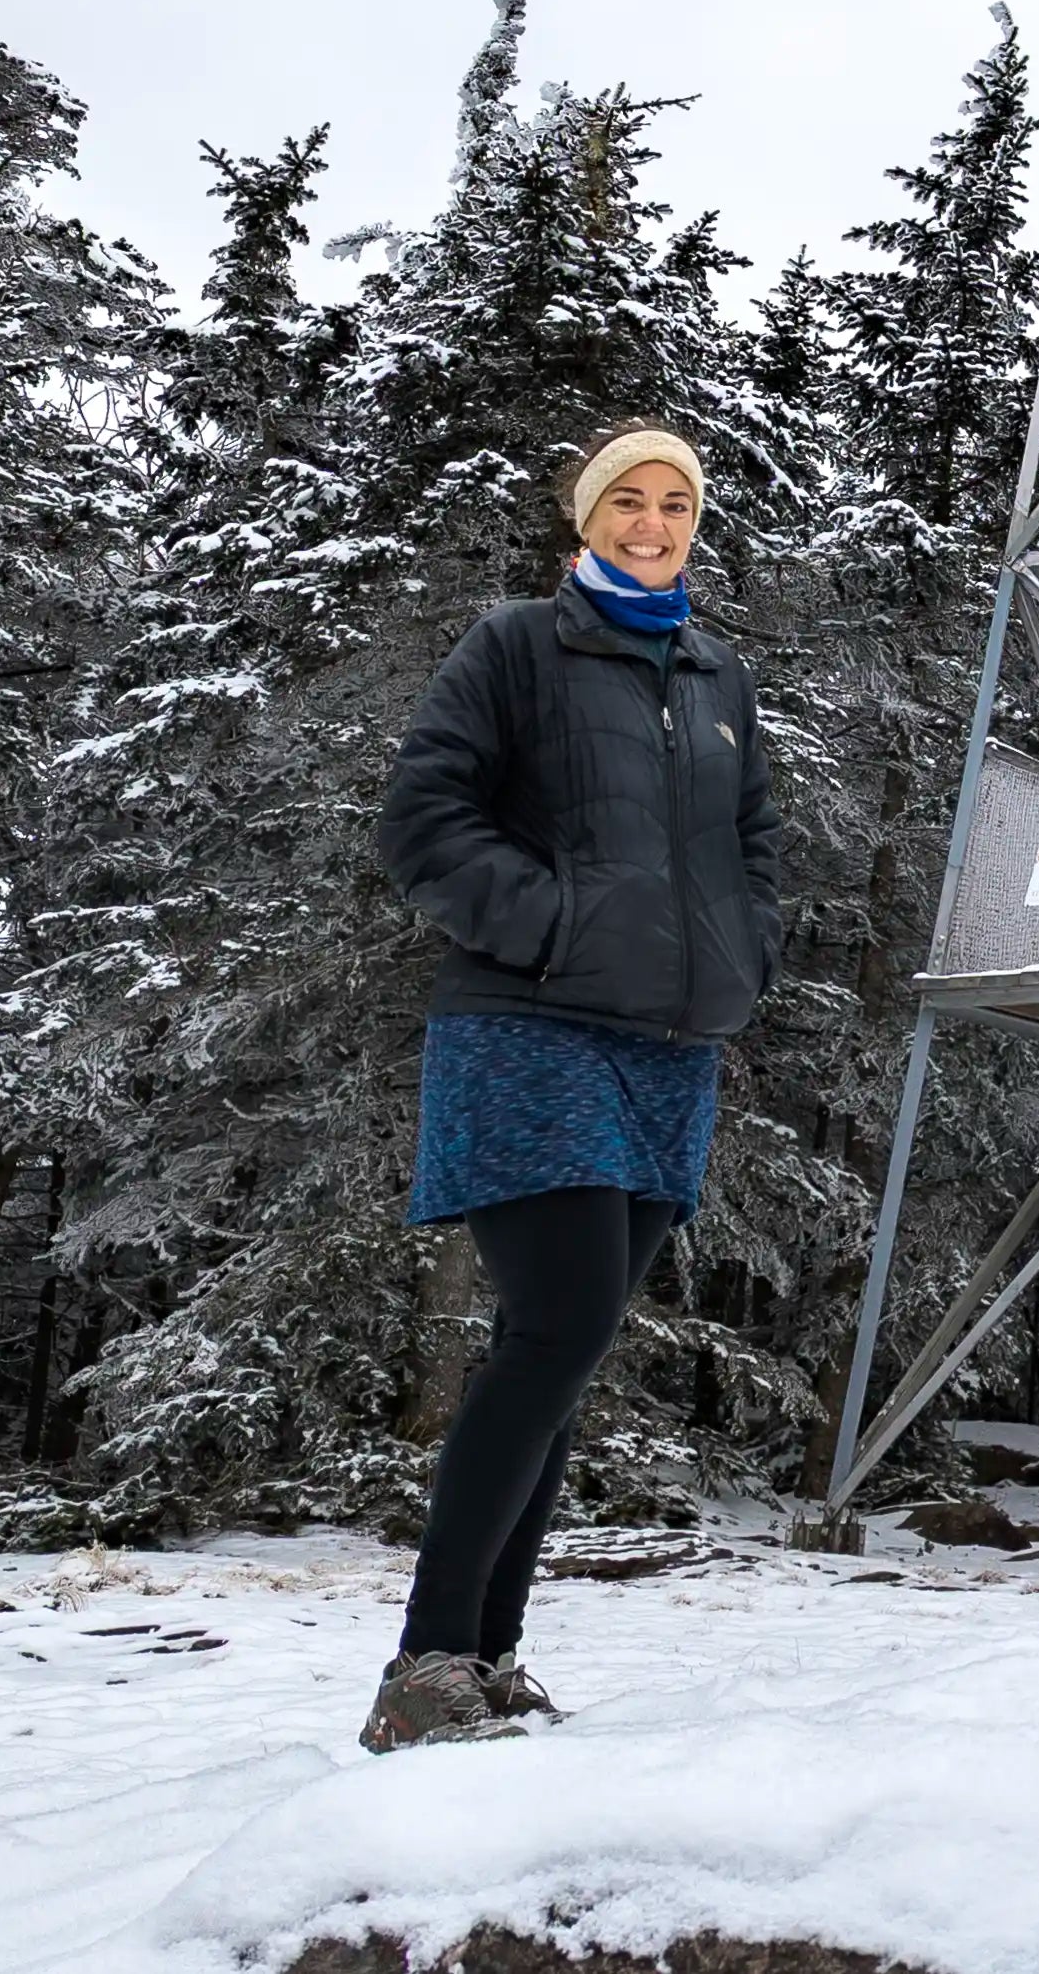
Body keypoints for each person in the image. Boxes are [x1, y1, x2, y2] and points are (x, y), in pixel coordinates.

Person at [359, 420, 782, 1754]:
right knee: (557, 1322)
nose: (652, 523)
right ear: (586, 516)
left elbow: (756, 846)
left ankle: (486, 1657)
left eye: (675, 504)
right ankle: (427, 1659)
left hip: (669, 1053)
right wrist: (551, 924)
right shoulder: (515, 649)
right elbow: (421, 821)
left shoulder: (716, 673)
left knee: (568, 1347)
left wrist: (744, 955)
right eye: (627, 502)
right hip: (529, 1026)